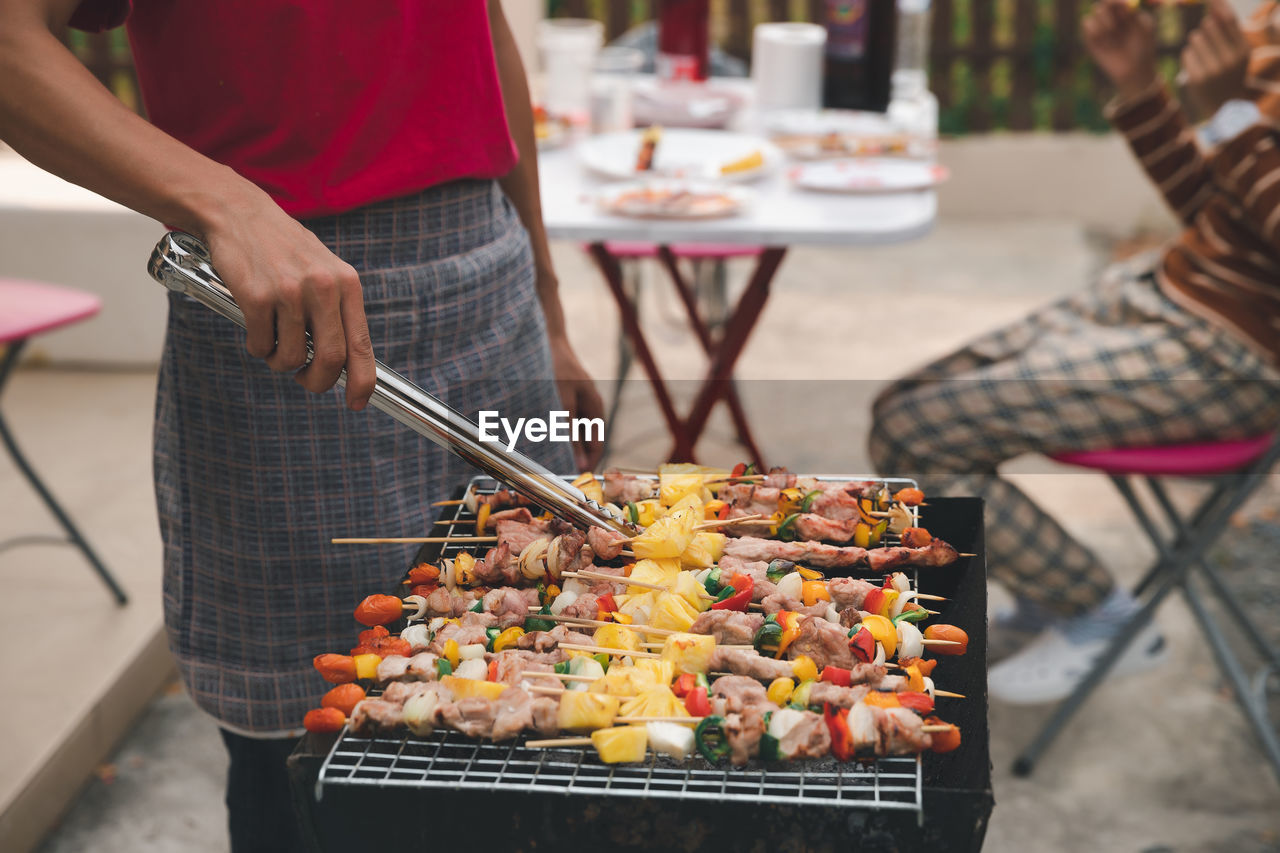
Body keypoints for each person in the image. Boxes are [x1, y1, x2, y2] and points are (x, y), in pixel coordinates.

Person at [0, 1, 603, 850]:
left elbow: (484, 28)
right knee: (312, 755)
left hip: (491, 284)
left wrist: (547, 301)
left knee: (549, 703)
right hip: (284, 325)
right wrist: (227, 206)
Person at [869, 0, 1280, 704]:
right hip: (1165, 291)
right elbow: (1222, 211)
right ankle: (1054, 589)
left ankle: (1102, 615)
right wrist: (1141, 86)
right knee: (901, 409)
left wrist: (1230, 117)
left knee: (919, 434)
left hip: (1233, 355)